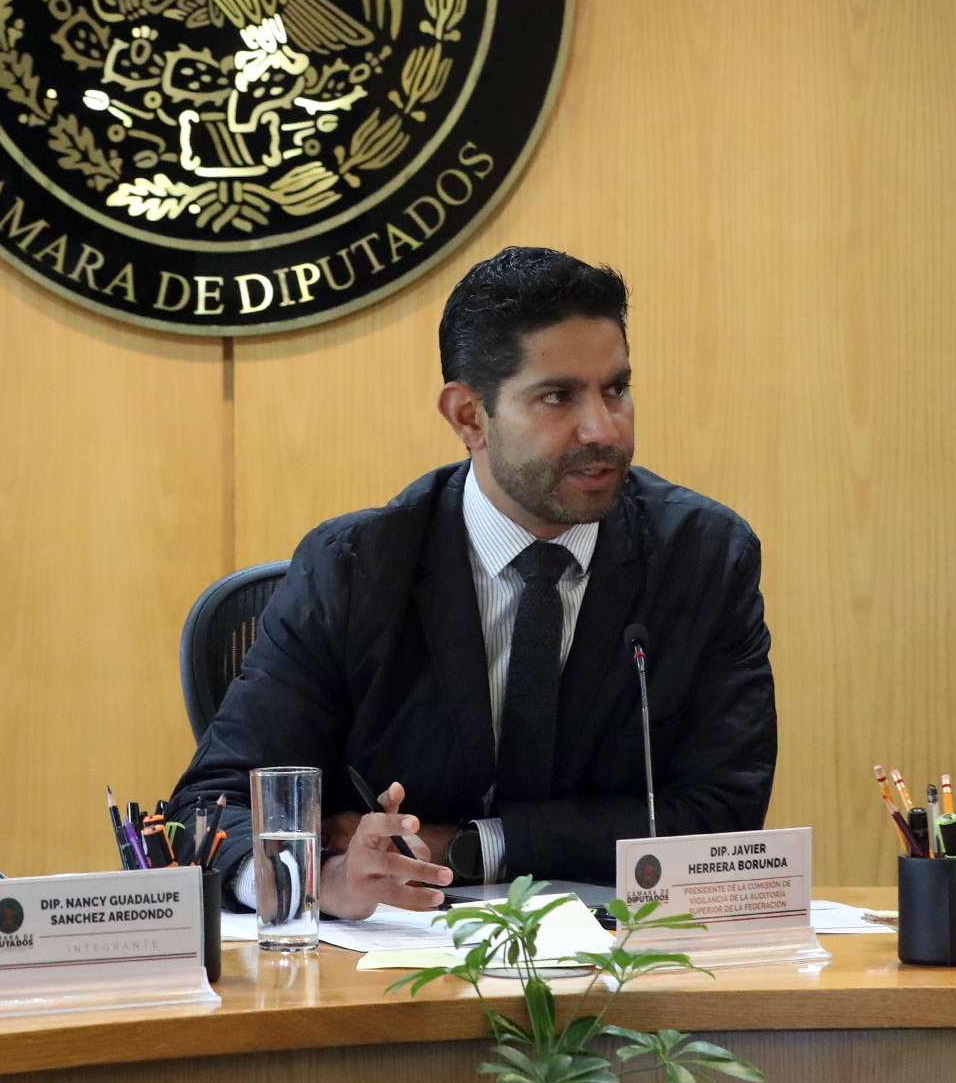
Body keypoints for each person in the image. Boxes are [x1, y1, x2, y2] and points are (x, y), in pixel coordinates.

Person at [172, 248, 776, 918]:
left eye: (616, 389)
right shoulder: (356, 568)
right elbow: (205, 813)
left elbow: (724, 819)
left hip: (622, 958)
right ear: (468, 416)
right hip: (390, 963)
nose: (603, 428)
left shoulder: (704, 558)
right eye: (558, 396)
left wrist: (471, 847)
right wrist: (320, 879)